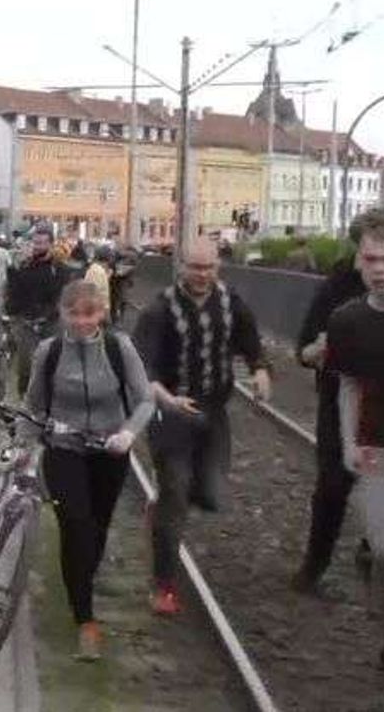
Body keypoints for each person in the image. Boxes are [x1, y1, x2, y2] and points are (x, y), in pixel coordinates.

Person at [133, 237, 271, 615]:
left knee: (212, 494)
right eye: (195, 267)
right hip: (171, 413)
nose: (202, 275)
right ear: (181, 266)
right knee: (176, 491)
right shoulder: (160, 310)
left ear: (218, 267)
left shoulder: (229, 302)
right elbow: (142, 366)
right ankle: (163, 586)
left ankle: (161, 511)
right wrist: (164, 396)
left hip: (212, 412)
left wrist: (260, 370)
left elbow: (249, 339)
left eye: (209, 267)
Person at [24, 280, 154, 660]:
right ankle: (85, 620)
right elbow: (34, 406)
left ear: (102, 314)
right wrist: (25, 447)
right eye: (73, 313)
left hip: (110, 452)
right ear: (61, 313)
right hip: (64, 449)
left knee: (96, 530)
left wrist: (129, 433)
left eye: (89, 313)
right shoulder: (49, 352)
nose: (81, 322)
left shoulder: (119, 347)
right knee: (75, 526)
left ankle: (82, 580)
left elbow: (145, 399)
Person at [291, 210, 374, 596]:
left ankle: (370, 547)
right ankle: (313, 569)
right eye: (369, 255)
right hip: (339, 404)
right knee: (334, 486)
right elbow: (303, 350)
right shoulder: (336, 289)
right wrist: (318, 350)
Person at [324, 209, 384, 668]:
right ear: (359, 261)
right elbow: (347, 384)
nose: (380, 268)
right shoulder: (347, 320)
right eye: (371, 258)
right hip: (373, 448)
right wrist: (347, 441)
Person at [6, 225, 68, 396]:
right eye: (35, 243)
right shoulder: (25, 265)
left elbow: (60, 294)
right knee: (26, 363)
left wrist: (50, 313)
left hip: (50, 321)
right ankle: (23, 398)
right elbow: (14, 291)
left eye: (42, 243)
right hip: (26, 320)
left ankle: (49, 398)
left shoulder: (58, 268)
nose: (37, 247)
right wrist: (14, 269)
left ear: (51, 244)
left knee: (52, 362)